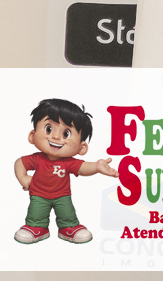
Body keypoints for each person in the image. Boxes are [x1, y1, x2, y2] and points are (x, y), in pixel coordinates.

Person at [12, 98, 111, 245]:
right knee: (36, 214)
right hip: (39, 195)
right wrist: (23, 178)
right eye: (49, 129)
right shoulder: (37, 159)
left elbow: (83, 168)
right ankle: (36, 227)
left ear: (81, 148)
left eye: (66, 133)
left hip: (62, 196)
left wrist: (97, 166)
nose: (56, 137)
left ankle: (69, 228)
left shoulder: (68, 162)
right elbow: (20, 163)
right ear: (32, 136)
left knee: (67, 215)